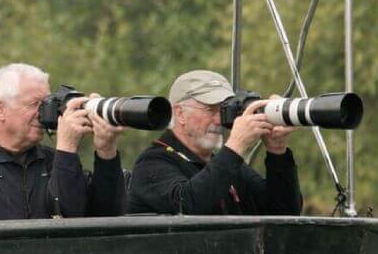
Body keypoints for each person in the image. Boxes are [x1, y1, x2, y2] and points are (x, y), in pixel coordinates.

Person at [0, 63, 127, 221]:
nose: (43, 114)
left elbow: (106, 217)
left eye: (47, 104)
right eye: (34, 104)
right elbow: (15, 225)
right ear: (0, 109)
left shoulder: (52, 159)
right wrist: (67, 147)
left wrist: (106, 150)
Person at [128, 69, 303, 216]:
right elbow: (187, 206)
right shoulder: (151, 163)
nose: (219, 121)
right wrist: (236, 145)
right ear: (180, 113)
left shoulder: (228, 165)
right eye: (210, 110)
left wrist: (277, 151)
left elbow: (285, 213)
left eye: (223, 111)